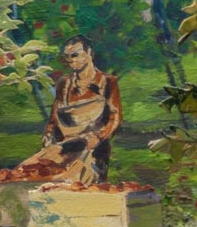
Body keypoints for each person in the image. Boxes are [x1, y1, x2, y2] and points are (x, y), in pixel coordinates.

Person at [15, 35, 122, 186]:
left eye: (75, 55)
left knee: (73, 187)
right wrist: (48, 134)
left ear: (89, 53)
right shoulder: (64, 84)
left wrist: (98, 137)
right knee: (24, 173)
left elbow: (115, 117)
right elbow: (54, 119)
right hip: (63, 148)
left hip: (92, 151)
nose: (70, 60)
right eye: (67, 57)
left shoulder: (107, 82)